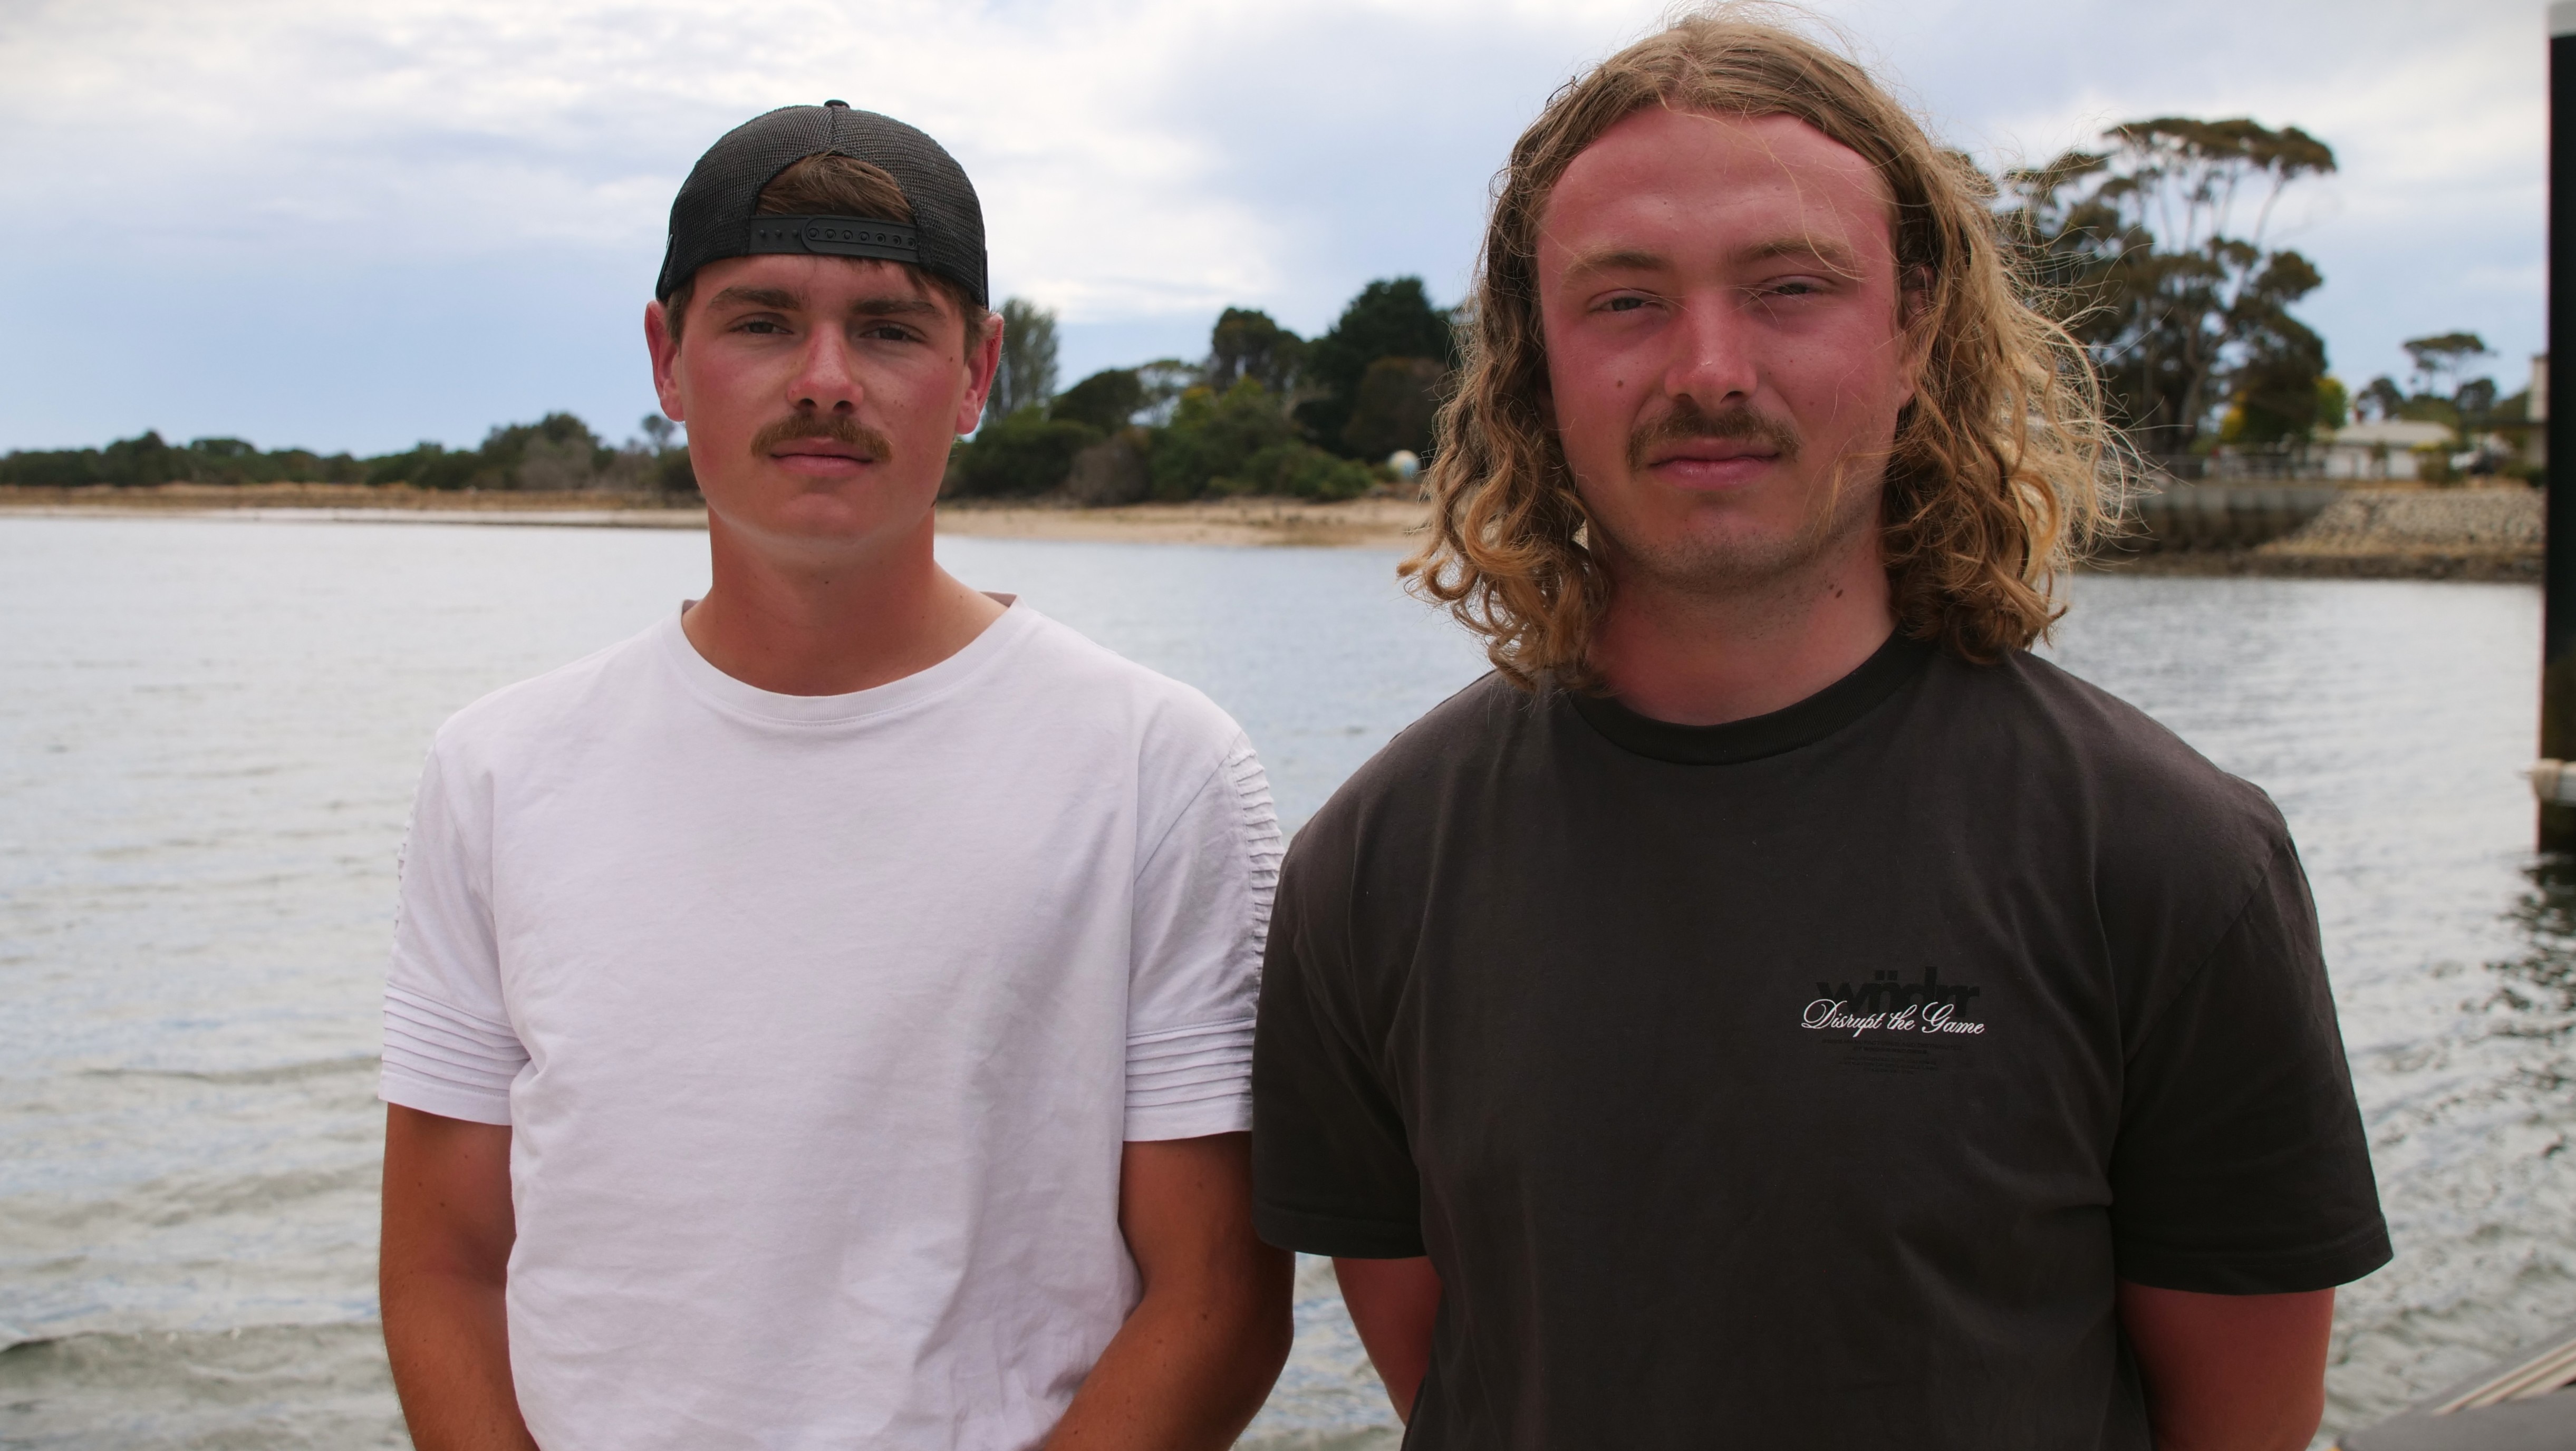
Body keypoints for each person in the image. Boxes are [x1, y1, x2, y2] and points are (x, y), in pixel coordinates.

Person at [1249, 16, 2390, 1450]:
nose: (1707, 368)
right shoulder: (1370, 868)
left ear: (1911, 331)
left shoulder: (2168, 860)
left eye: (1788, 287)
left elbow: (2239, 1423)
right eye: (1623, 301)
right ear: (1534, 356)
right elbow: (1458, 1372)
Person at [377, 101, 1289, 1450]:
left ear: (978, 373)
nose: (824, 380)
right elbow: (445, 1263)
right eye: (760, 321)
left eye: (889, 327)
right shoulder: (498, 772)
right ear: (666, 357)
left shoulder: (1159, 766)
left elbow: (1218, 1294)